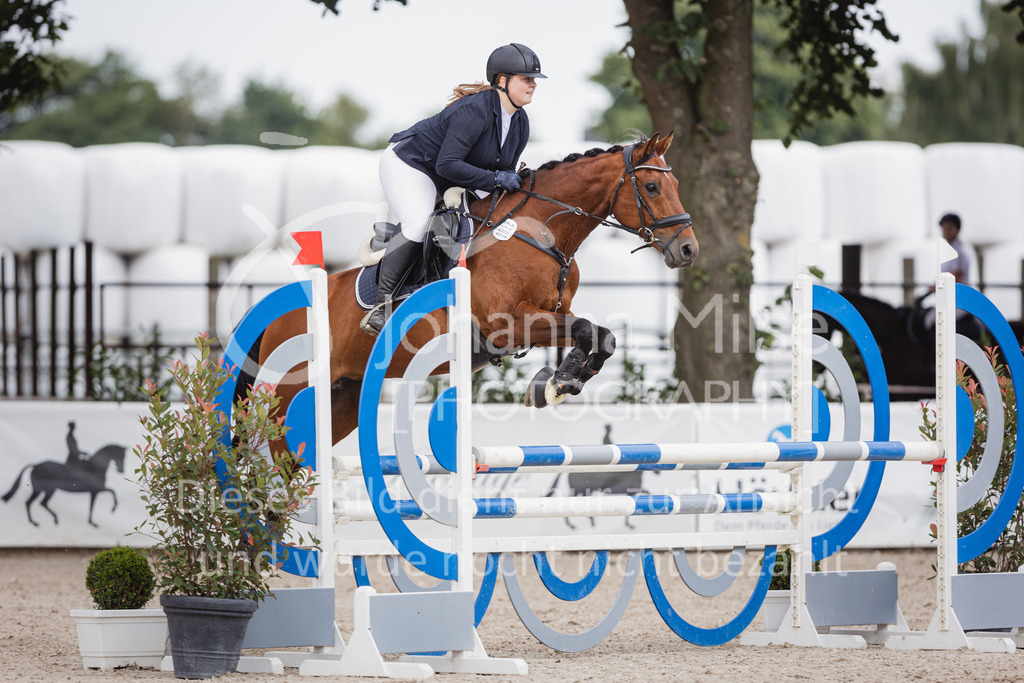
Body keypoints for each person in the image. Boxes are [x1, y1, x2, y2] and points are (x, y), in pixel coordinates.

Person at [360, 43, 546, 337]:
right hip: (411, 164)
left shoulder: (521, 122)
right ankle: (380, 307)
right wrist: (498, 179)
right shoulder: (474, 110)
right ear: (503, 81)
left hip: (448, 175)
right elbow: (448, 165)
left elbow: (500, 172)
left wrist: (510, 180)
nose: (533, 84)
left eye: (534, 79)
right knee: (419, 222)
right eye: (526, 78)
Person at [939, 212, 970, 284]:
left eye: (949, 227)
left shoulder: (958, 252)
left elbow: (956, 278)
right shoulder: (948, 251)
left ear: (957, 229)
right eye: (944, 227)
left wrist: (938, 286)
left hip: (957, 293)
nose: (946, 230)